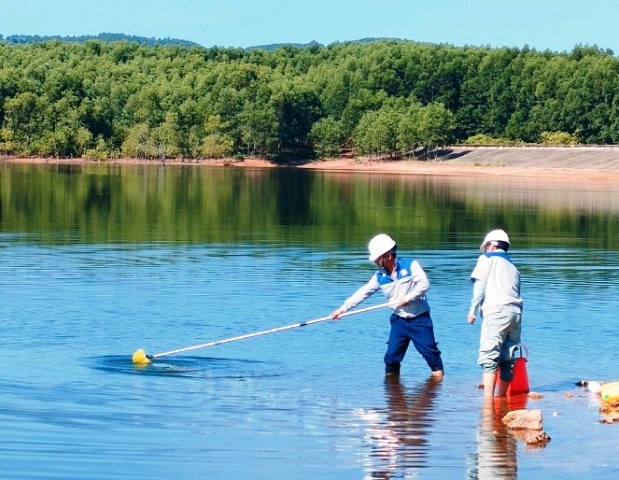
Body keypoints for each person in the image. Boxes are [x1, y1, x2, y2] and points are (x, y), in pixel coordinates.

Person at [331, 234, 444, 379]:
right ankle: (393, 395)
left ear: (388, 256)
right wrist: (342, 309)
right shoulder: (380, 276)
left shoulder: (411, 265)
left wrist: (408, 298)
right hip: (399, 322)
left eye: (378, 258)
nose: (376, 262)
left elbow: (424, 284)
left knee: (431, 355)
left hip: (419, 320)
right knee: (391, 358)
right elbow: (363, 292)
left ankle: (438, 386)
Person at [468, 229, 523, 398]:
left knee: (488, 359)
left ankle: (487, 403)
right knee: (508, 358)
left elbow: (480, 286)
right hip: (515, 314)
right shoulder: (513, 267)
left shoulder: (486, 259)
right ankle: (501, 397)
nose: (484, 250)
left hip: (496, 312)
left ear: (492, 245)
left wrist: (472, 310)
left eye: (485, 246)